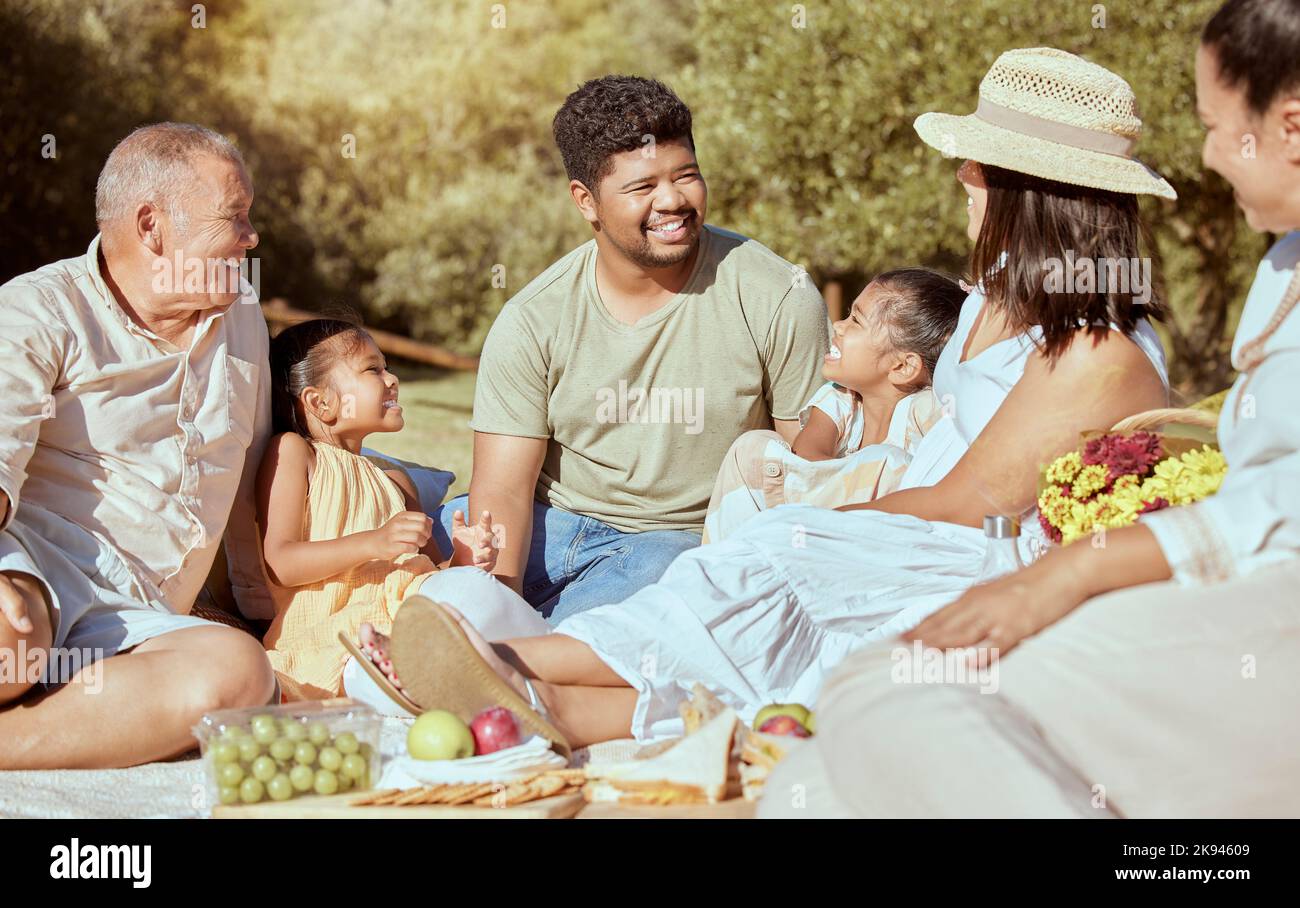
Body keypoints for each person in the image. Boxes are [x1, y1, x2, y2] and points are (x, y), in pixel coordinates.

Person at [378, 48, 1176, 750]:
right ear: (585, 198)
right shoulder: (994, 293)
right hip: (923, 513)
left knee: (767, 565)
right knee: (765, 565)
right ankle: (526, 682)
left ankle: (500, 666)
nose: (962, 176)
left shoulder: (1097, 349)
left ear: (1030, 189)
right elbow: (503, 495)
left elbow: (972, 499)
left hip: (974, 540)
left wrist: (818, 519)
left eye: (980, 165)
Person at [759, 0, 1300, 820]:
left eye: (1216, 125)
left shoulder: (1098, 347)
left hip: (1266, 607)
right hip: (1234, 588)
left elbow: (1274, 508)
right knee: (808, 790)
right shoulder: (1282, 266)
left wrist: (1070, 572)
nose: (1207, 155)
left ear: (1290, 126)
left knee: (885, 681)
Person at [435, 75, 830, 624]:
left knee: (637, 596)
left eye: (686, 176)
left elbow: (811, 467)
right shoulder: (532, 319)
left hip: (672, 543)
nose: (673, 200)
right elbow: (501, 489)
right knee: (432, 538)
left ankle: (541, 663)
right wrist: (489, 606)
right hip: (552, 523)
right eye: (643, 187)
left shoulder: (776, 296)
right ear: (586, 201)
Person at [0, 123, 276, 768]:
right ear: (151, 226)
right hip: (33, 565)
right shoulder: (38, 310)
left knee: (238, 674)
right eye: (233, 218)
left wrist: (270, 620)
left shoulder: (243, 316)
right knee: (13, 641)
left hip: (139, 621)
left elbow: (249, 489)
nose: (252, 237)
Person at [255, 319, 535, 703]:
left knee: (471, 590)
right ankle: (439, 677)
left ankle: (543, 670)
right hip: (339, 635)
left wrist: (464, 559)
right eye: (374, 369)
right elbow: (281, 564)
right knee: (373, 669)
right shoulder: (295, 453)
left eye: (387, 367)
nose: (392, 379)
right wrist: (375, 542)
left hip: (413, 611)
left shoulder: (396, 482)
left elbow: (434, 573)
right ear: (320, 402)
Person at [703, 268, 963, 543]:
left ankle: (787, 532)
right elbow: (806, 454)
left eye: (856, 321)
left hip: (878, 540)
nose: (839, 325)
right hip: (813, 510)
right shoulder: (840, 397)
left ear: (902, 366)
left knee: (888, 460)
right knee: (752, 445)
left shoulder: (924, 409)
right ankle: (728, 559)